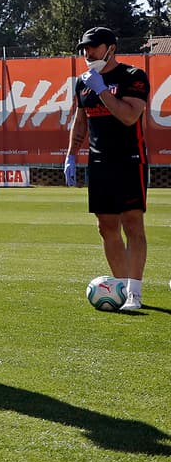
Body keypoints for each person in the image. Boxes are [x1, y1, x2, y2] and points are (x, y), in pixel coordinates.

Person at [64, 26, 148, 312]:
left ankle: (135, 293)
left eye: (94, 47)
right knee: (106, 227)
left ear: (111, 48)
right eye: (84, 49)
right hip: (98, 163)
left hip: (129, 159)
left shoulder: (133, 76)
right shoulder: (82, 82)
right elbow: (80, 119)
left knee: (133, 224)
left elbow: (128, 116)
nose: (88, 53)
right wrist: (71, 155)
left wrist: (102, 89)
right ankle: (122, 288)